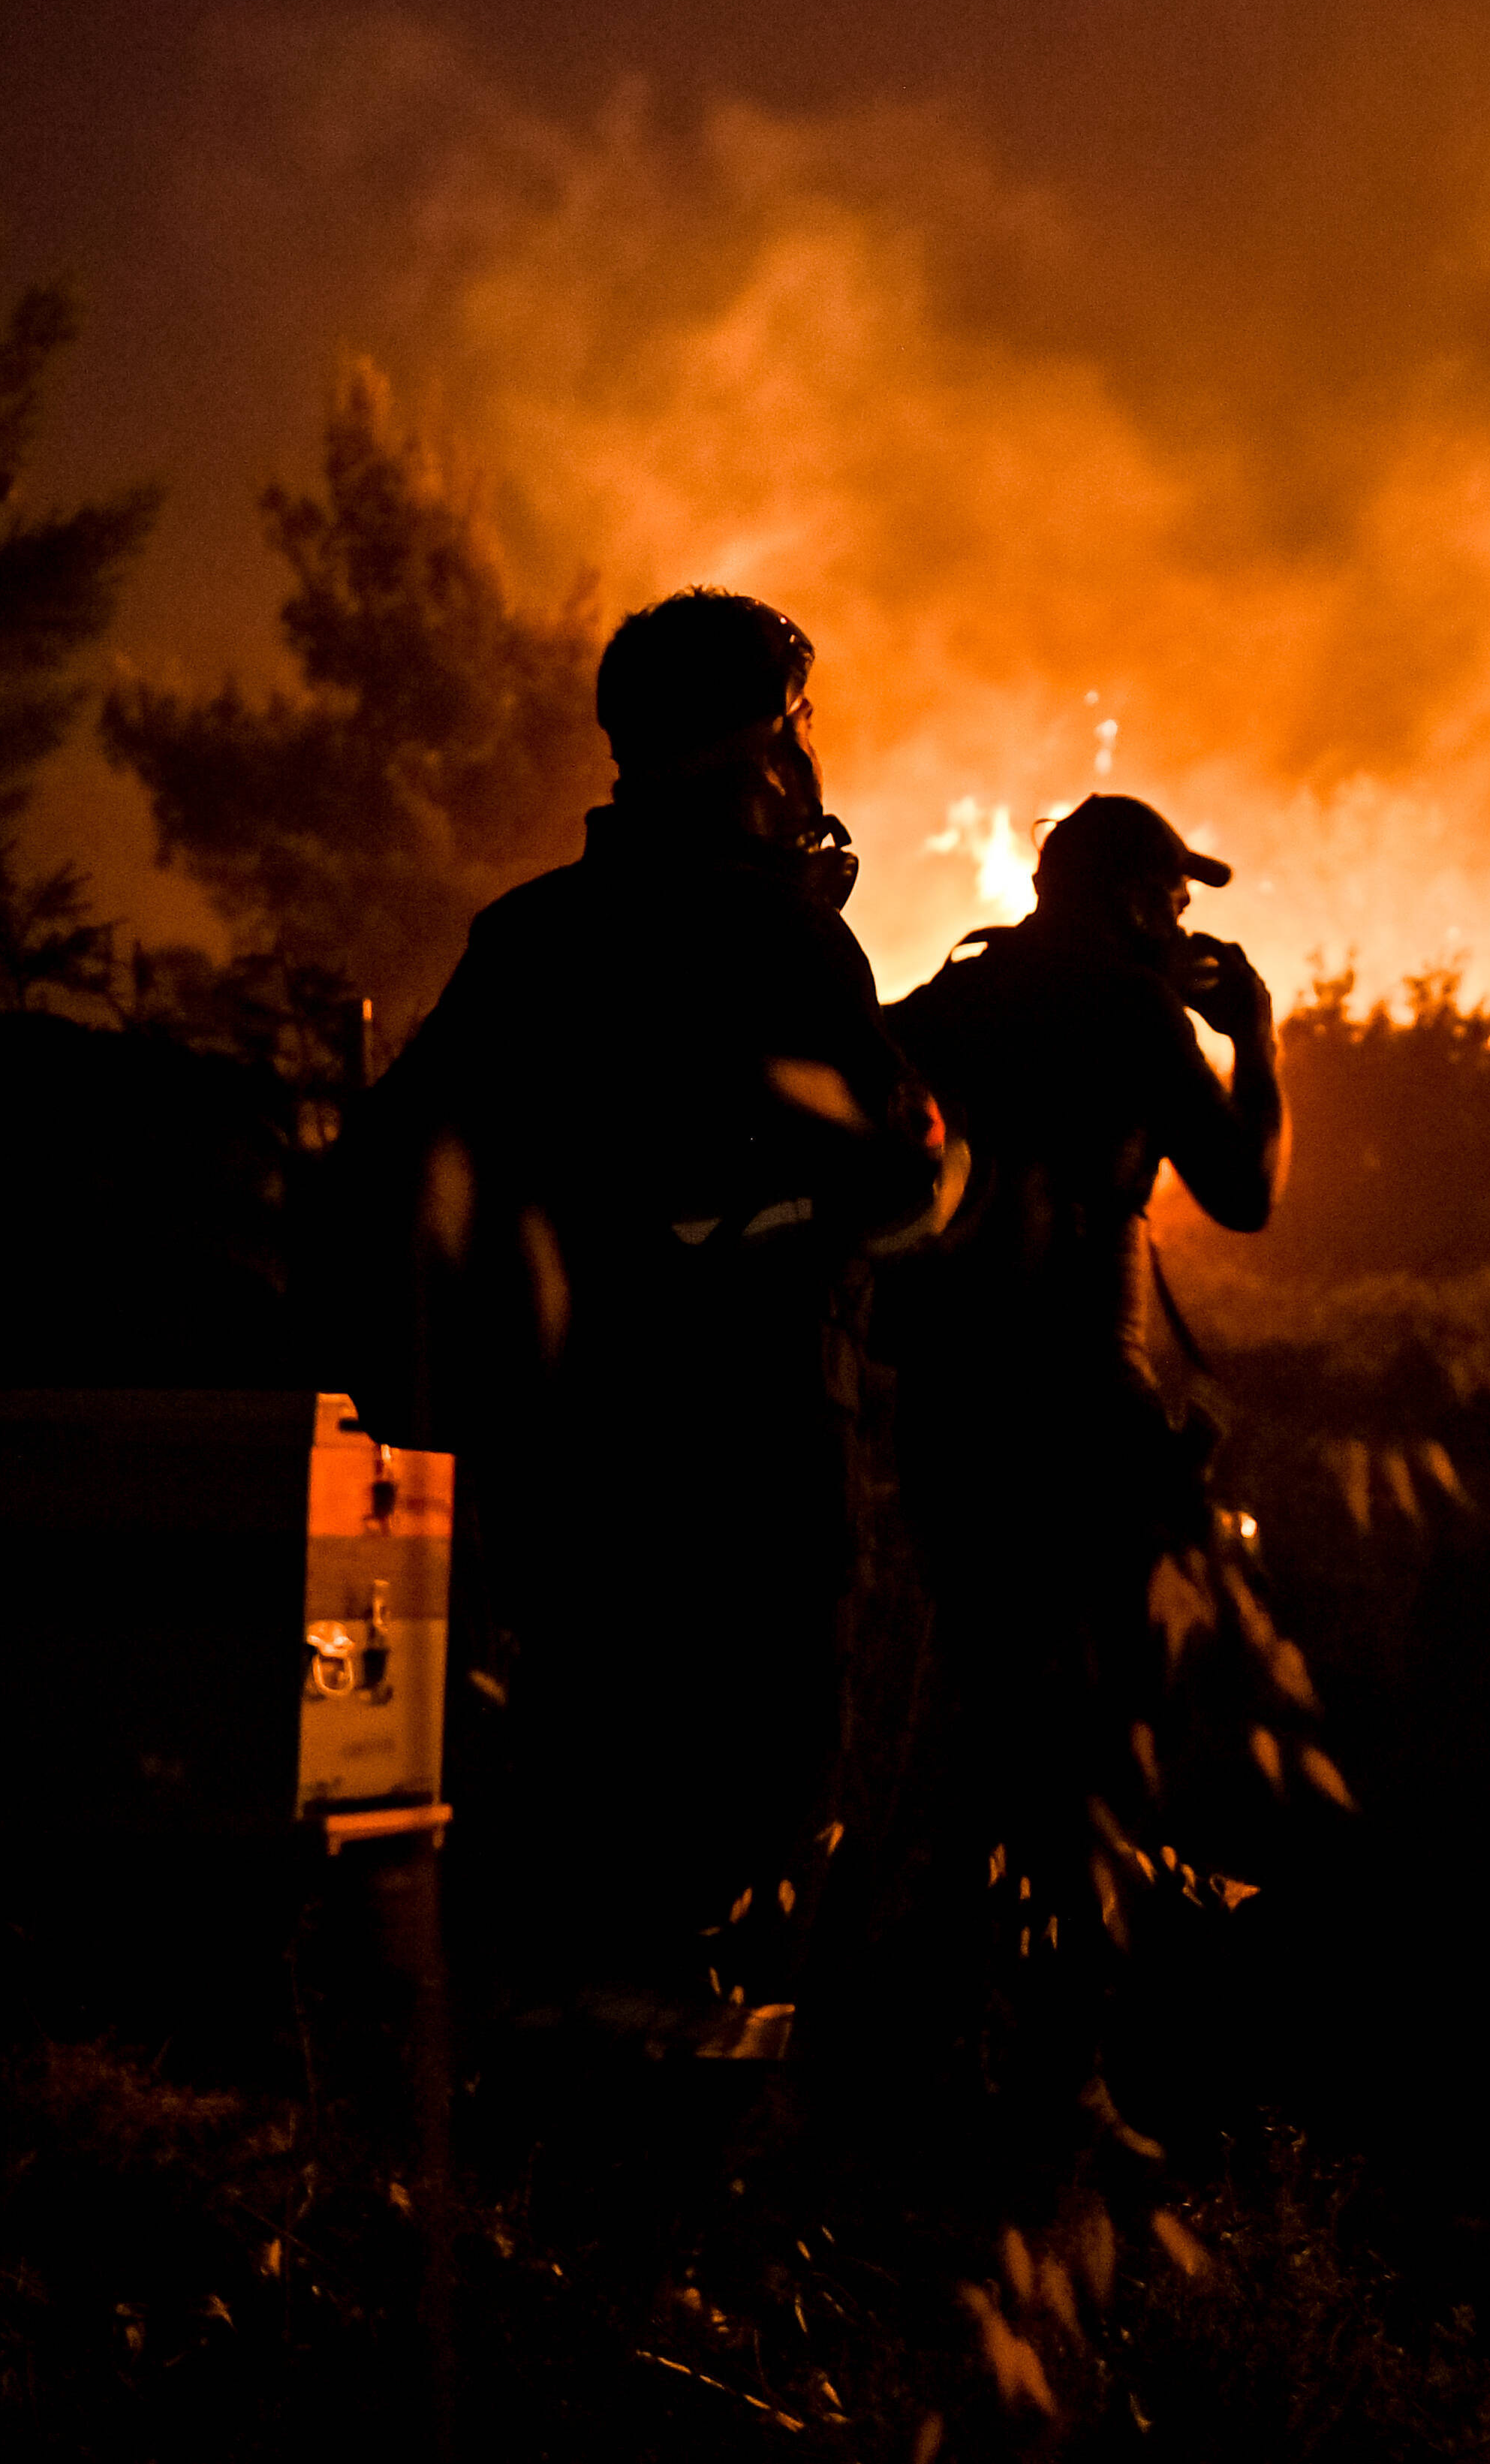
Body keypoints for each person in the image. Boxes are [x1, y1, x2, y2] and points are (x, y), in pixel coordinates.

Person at [349, 587, 941, 2053]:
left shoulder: (528, 939)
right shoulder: (784, 945)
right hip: (750, 1458)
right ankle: (677, 2194)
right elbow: (894, 1193)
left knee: (583, 1796)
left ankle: (543, 2176)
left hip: (562, 1466)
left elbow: (394, 1172)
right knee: (737, 1825)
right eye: (798, 727)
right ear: (764, 748)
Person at [872, 793, 1284, 2120]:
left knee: (971, 1716)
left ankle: (921, 2049)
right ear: (1126, 898)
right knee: (1098, 1746)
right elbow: (1246, 1191)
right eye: (1172, 899)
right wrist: (1254, 1039)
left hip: (949, 1412)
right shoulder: (1133, 1014)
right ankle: (1060, 2080)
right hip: (1085, 1420)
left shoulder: (947, 1002)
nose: (1184, 924)